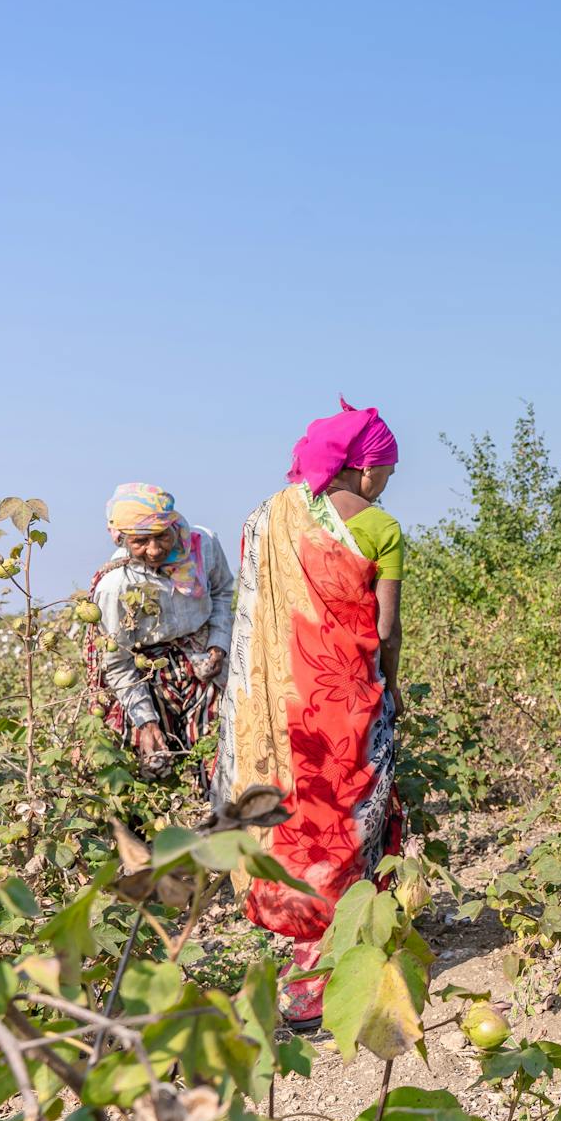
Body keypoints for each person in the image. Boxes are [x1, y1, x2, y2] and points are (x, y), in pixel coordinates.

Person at [210, 399, 406, 1027]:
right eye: (387, 470)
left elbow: (259, 616)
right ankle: (346, 955)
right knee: (351, 816)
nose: (386, 484)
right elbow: (387, 627)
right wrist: (389, 688)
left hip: (284, 704)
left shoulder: (266, 520)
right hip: (348, 698)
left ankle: (304, 959)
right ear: (362, 466)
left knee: (299, 817)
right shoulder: (379, 528)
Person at [85, 483, 234, 775]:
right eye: (140, 541)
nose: (154, 550)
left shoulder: (203, 545)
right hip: (148, 675)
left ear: (173, 525)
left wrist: (218, 644)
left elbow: (222, 593)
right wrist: (146, 721)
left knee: (217, 760)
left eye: (161, 536)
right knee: (158, 764)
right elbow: (118, 662)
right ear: (122, 538)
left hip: (204, 664)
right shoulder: (117, 585)